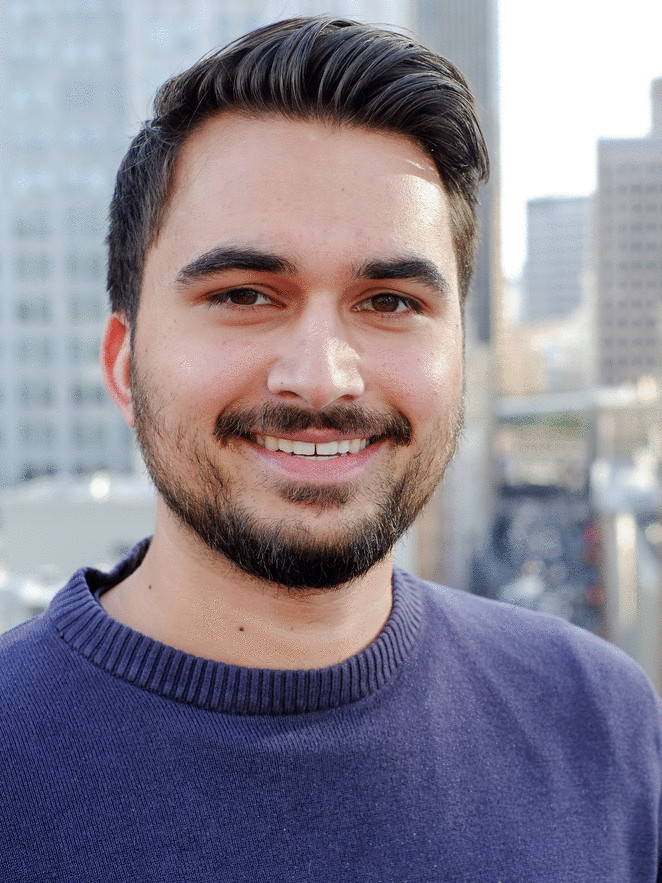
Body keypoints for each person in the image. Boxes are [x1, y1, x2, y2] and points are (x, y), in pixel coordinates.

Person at [1, 16, 660, 881]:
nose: (322, 378)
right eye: (245, 294)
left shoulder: (604, 728)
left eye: (389, 302)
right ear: (124, 365)